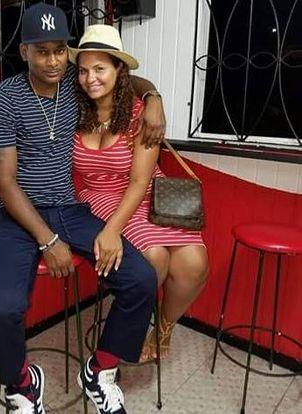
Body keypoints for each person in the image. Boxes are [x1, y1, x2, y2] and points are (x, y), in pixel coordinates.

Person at [0, 3, 166, 414]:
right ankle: (22, 385)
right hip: (13, 214)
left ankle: (100, 369)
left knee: (141, 279)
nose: (52, 61)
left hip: (68, 209)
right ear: (24, 51)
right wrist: (48, 242)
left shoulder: (76, 85)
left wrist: (154, 99)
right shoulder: (2, 100)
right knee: (1, 307)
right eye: (41, 51)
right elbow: (4, 182)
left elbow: (124, 78)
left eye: (60, 50)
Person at [69, 24, 209, 363]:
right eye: (84, 70)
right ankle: (123, 334)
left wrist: (152, 99)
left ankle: (162, 330)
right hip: (97, 195)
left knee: (194, 261)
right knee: (154, 257)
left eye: (100, 68)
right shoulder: (70, 109)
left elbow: (139, 182)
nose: (90, 78)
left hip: (142, 190)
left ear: (119, 70)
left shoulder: (139, 115)